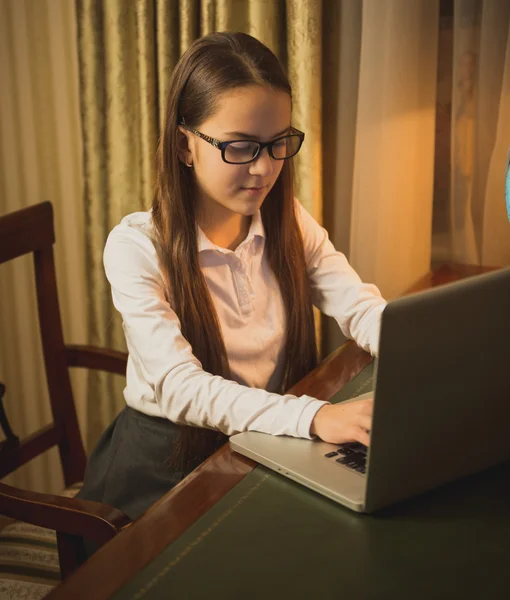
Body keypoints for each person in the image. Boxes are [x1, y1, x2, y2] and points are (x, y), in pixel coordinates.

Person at [77, 31, 386, 527]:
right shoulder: (136, 247)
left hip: (256, 443)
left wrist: (421, 352)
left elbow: (360, 307)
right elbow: (181, 389)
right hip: (162, 467)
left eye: (278, 143)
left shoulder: (287, 220)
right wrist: (313, 416)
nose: (264, 169)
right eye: (241, 147)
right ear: (185, 145)